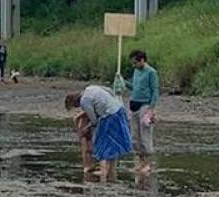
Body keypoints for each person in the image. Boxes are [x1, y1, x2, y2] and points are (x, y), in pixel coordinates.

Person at [67, 84, 133, 183]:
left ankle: (103, 172)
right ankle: (111, 171)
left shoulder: (84, 102)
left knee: (102, 145)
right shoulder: (90, 88)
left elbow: (94, 120)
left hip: (109, 116)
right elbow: (110, 90)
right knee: (113, 144)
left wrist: (86, 128)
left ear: (75, 103)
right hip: (119, 109)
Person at [127, 49, 160, 179]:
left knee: (145, 135)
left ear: (142, 60)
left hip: (145, 106)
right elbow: (134, 87)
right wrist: (123, 82)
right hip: (133, 105)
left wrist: (151, 109)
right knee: (135, 137)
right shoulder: (136, 71)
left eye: (135, 62)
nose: (133, 65)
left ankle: (147, 164)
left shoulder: (151, 72)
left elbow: (155, 91)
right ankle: (140, 162)